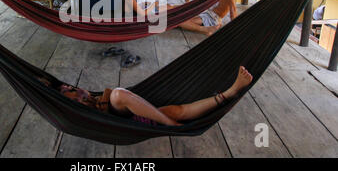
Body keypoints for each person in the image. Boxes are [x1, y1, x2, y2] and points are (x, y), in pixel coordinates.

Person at [58, 66, 253, 126]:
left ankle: (230, 93)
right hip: (110, 118)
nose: (70, 87)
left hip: (120, 109)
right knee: (118, 95)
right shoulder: (64, 104)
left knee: (176, 110)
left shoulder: (58, 90)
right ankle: (230, 93)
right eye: (71, 91)